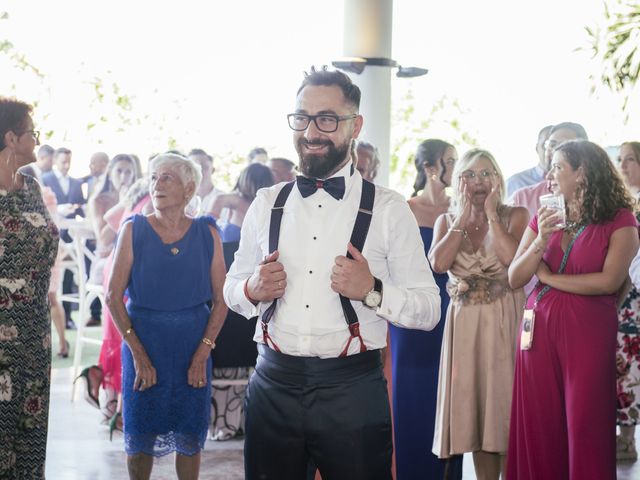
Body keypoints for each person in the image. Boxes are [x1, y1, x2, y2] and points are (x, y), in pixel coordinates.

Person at [224, 67, 441, 480]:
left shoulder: (389, 208)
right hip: (272, 384)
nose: (311, 132)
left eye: (326, 119)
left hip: (353, 392)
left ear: (354, 125)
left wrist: (372, 291)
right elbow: (231, 289)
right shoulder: (267, 202)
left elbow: (429, 310)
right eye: (302, 118)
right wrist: (251, 290)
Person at [507, 140, 639, 479]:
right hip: (537, 332)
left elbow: (609, 281)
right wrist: (540, 239)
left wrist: (550, 278)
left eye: (558, 167)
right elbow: (515, 276)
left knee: (585, 421)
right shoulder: (544, 215)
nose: (549, 175)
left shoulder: (620, 220)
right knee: (541, 420)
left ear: (582, 173)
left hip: (588, 332)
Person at [107, 153, 227, 479]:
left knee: (190, 436)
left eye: (167, 178)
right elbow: (112, 297)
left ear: (189, 190)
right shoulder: (134, 229)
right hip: (144, 343)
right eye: (153, 177)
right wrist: (139, 354)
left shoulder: (207, 232)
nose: (156, 185)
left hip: (193, 346)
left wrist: (203, 351)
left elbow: (221, 300)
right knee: (139, 438)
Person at [430, 148, 529, 479]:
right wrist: (460, 219)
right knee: (475, 416)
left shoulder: (516, 215)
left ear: (498, 179)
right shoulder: (446, 221)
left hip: (504, 320)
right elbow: (440, 264)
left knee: (504, 410)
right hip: (464, 327)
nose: (478, 181)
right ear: (459, 182)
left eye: (486, 174)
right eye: (470, 174)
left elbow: (513, 261)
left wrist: (489, 215)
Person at [387, 139, 463, 479]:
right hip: (411, 313)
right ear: (430, 168)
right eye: (451, 161)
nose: (457, 168)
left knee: (450, 395)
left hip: (454, 308)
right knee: (410, 394)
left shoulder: (461, 209)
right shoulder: (404, 208)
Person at [0, 97, 59, 478]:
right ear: (10, 137)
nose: (36, 140)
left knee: (30, 428)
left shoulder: (32, 186)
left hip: (34, 331)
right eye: (31, 132)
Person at [615, 141, 640, 461]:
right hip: (619, 293)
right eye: (619, 160)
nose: (622, 166)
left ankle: (627, 437)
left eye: (630, 159)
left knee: (631, 364)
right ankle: (619, 434)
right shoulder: (617, 205)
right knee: (620, 364)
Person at [510, 122, 588, 218]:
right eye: (552, 144)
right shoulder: (522, 197)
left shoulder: (600, 199)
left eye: (566, 146)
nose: (556, 151)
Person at [210, 163, 274, 243]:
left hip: (230, 252)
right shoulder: (271, 205)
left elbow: (207, 226)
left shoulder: (234, 200)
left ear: (244, 179)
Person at [506, 125, 553, 196]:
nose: (550, 151)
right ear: (537, 148)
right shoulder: (515, 183)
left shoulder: (572, 182)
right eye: (545, 145)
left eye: (555, 146)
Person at [188, 148, 225, 214]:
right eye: (194, 168)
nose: (200, 171)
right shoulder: (180, 199)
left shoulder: (224, 200)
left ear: (213, 170)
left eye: (204, 167)